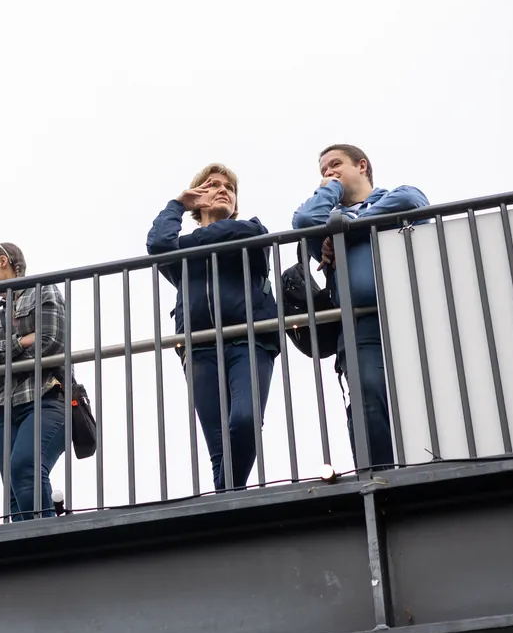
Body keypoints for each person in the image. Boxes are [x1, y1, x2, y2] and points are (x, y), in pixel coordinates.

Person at [292, 144, 429, 469]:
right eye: (323, 171)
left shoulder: (393, 197)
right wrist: (332, 191)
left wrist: (347, 228)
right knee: (366, 397)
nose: (328, 173)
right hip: (360, 326)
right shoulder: (323, 220)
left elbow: (414, 201)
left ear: (362, 165)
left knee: (423, 394)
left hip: (414, 316)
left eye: (335, 165)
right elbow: (305, 218)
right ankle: (379, 477)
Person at [146, 164, 279, 491]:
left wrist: (192, 242)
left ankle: (224, 499)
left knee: (245, 421)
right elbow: (158, 245)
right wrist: (178, 204)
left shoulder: (251, 229)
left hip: (250, 340)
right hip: (199, 348)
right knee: (219, 450)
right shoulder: (181, 248)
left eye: (229, 188)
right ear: (198, 200)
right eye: (212, 186)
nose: (222, 190)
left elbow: (252, 237)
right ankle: (231, 501)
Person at [0, 242, 68, 521]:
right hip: (4, 409)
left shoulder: (42, 290)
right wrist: (20, 342)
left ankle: (46, 538)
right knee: (12, 486)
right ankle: (26, 546)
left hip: (46, 396)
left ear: (4, 261)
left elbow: (51, 342)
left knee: (25, 467)